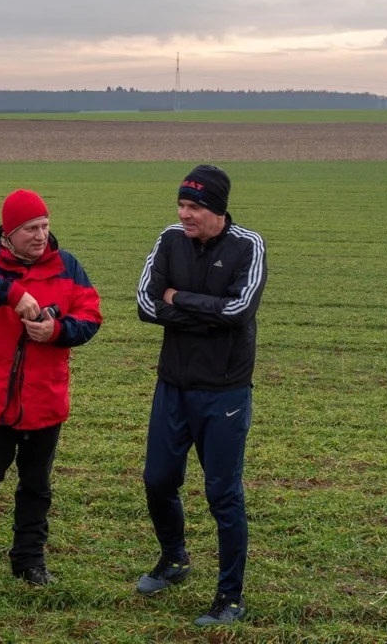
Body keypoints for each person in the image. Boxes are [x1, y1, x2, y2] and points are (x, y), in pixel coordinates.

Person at [0, 189, 102, 599]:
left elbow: (90, 315)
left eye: (45, 226)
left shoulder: (68, 266)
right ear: (8, 233)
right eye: (31, 228)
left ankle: (29, 560)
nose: (41, 235)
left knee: (37, 487)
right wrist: (12, 293)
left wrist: (58, 331)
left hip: (45, 399)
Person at [135, 165, 267, 626]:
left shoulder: (249, 246)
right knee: (157, 480)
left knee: (223, 494)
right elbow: (146, 305)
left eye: (193, 207)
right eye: (182, 204)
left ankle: (230, 597)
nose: (183, 213)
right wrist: (198, 311)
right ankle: (174, 560)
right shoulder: (170, 239)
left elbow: (238, 310)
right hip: (173, 385)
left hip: (224, 392)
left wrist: (181, 299)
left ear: (217, 209)